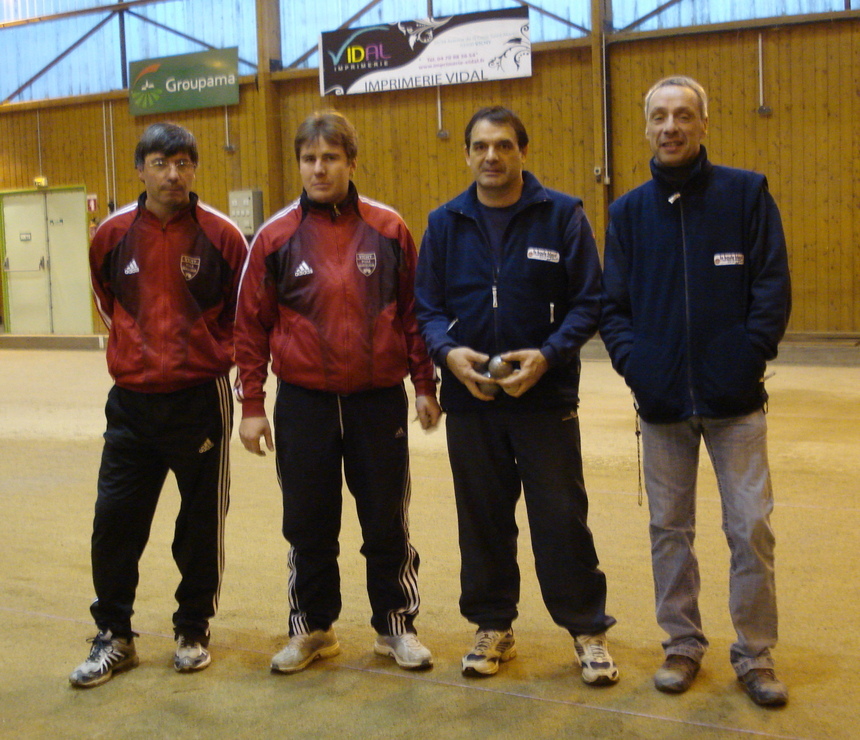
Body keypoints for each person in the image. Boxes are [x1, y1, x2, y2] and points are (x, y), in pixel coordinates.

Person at [600, 76, 791, 707]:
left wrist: (745, 356)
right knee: (668, 529)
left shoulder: (746, 195)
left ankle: (755, 655)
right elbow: (614, 308)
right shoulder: (627, 213)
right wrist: (640, 367)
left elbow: (771, 289)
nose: (672, 127)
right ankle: (682, 645)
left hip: (735, 404)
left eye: (684, 115)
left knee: (751, 528)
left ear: (703, 124)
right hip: (661, 408)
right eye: (660, 117)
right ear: (647, 128)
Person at [415, 106, 618, 684]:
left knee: (560, 517)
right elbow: (426, 309)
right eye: (480, 146)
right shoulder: (445, 223)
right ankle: (492, 624)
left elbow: (589, 302)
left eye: (503, 145)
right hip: (471, 398)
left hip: (544, 397)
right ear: (467, 155)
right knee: (481, 518)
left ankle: (586, 629)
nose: (491, 157)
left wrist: (549, 355)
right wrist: (447, 355)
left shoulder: (562, 216)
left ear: (522, 152)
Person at [234, 111, 441, 674]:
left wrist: (425, 384)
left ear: (351, 161)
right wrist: (252, 405)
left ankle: (395, 626)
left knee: (385, 519)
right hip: (304, 403)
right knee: (307, 521)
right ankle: (313, 629)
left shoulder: (389, 228)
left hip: (378, 402)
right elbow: (249, 325)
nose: (318, 168)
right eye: (309, 158)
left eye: (330, 157)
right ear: (299, 164)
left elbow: (414, 315)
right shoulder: (275, 236)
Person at [70, 123, 249, 688]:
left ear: (194, 168)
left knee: (199, 523)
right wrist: (135, 349)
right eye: (160, 163)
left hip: (201, 398)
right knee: (115, 519)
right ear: (140, 169)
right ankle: (114, 636)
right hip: (131, 402)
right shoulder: (111, 235)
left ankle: (193, 629)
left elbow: (241, 314)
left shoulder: (222, 236)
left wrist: (211, 356)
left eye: (183, 163)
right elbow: (107, 301)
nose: (173, 174)